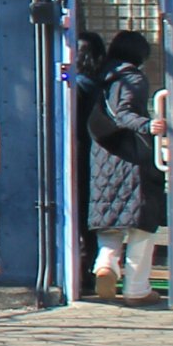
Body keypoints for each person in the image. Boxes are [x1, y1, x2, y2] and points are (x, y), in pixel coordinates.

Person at [88, 31, 160, 298]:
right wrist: (149, 125)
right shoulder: (133, 78)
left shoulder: (102, 76)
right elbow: (125, 114)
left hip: (104, 159)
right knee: (142, 226)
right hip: (132, 160)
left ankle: (106, 265)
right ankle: (137, 289)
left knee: (110, 221)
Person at [67, 32, 107, 290]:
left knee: (77, 213)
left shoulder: (76, 86)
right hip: (94, 156)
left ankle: (81, 275)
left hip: (76, 154)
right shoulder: (100, 84)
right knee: (87, 216)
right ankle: (91, 270)